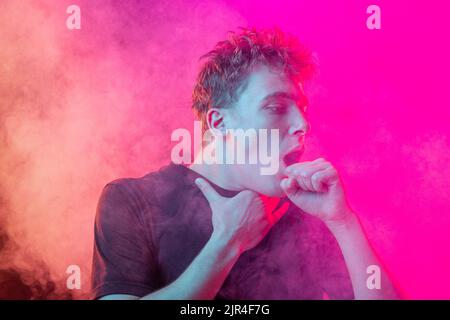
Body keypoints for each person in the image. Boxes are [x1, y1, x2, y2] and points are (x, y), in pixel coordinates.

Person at [91, 27, 398, 300]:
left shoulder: (307, 212)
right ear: (220, 123)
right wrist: (227, 242)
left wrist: (342, 222)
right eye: (276, 107)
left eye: (302, 109)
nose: (302, 124)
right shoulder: (132, 200)